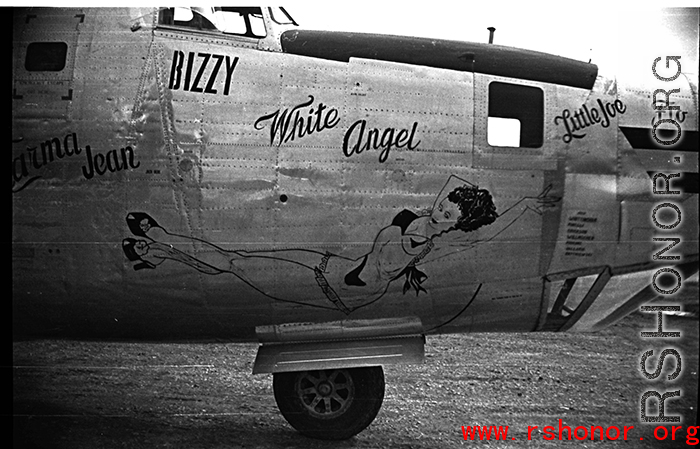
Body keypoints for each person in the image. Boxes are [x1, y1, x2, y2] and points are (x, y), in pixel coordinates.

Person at [122, 175, 558, 314]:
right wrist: (522, 202)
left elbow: (489, 231)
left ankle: (160, 240)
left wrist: (521, 208)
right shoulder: (417, 221)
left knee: (235, 263)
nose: (444, 211)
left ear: (459, 224)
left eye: (453, 214)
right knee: (234, 261)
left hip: (326, 285)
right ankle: (158, 250)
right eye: (447, 203)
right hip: (329, 265)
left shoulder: (429, 242)